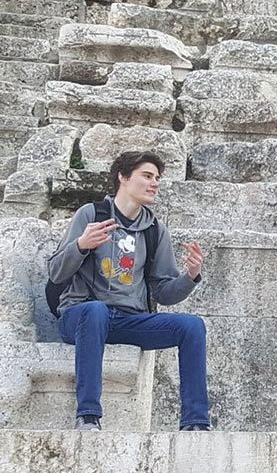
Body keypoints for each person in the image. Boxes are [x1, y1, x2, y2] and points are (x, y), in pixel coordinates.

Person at [46, 151, 209, 431]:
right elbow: (56, 272)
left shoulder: (155, 230)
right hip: (81, 317)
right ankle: (88, 415)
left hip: (128, 320)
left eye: (157, 178)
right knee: (96, 311)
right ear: (122, 177)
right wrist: (82, 245)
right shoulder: (91, 214)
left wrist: (190, 276)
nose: (154, 183)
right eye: (147, 176)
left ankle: (195, 422)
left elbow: (164, 293)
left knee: (192, 326)